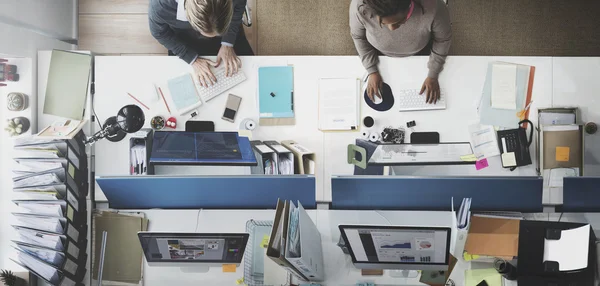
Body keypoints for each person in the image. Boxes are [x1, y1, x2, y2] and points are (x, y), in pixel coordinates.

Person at [350, 0, 452, 104]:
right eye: (383, 23)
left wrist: (433, 74)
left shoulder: (435, 7)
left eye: (400, 21)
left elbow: (442, 40)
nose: (392, 29)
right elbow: (358, 37)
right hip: (378, 54)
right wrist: (371, 70)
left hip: (421, 52)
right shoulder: (360, 7)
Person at [149, 0, 254, 87]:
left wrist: (227, 43)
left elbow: (239, 7)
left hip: (226, 28)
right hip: (184, 36)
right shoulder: (160, 5)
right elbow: (159, 33)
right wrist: (191, 58)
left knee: (251, 74)